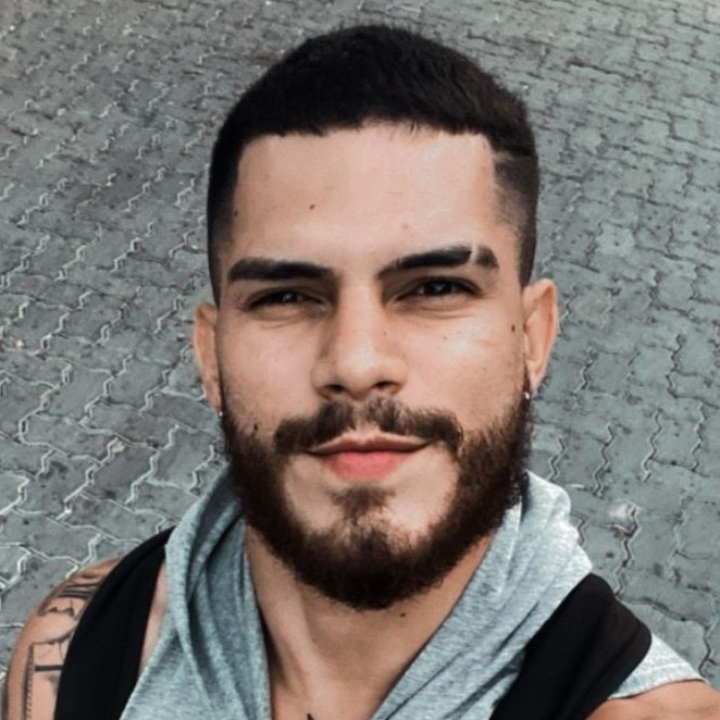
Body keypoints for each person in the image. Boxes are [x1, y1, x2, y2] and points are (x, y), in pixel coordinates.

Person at [4, 24, 719, 720]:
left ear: (533, 338)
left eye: (436, 287)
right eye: (286, 297)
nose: (356, 362)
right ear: (210, 355)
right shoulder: (76, 657)